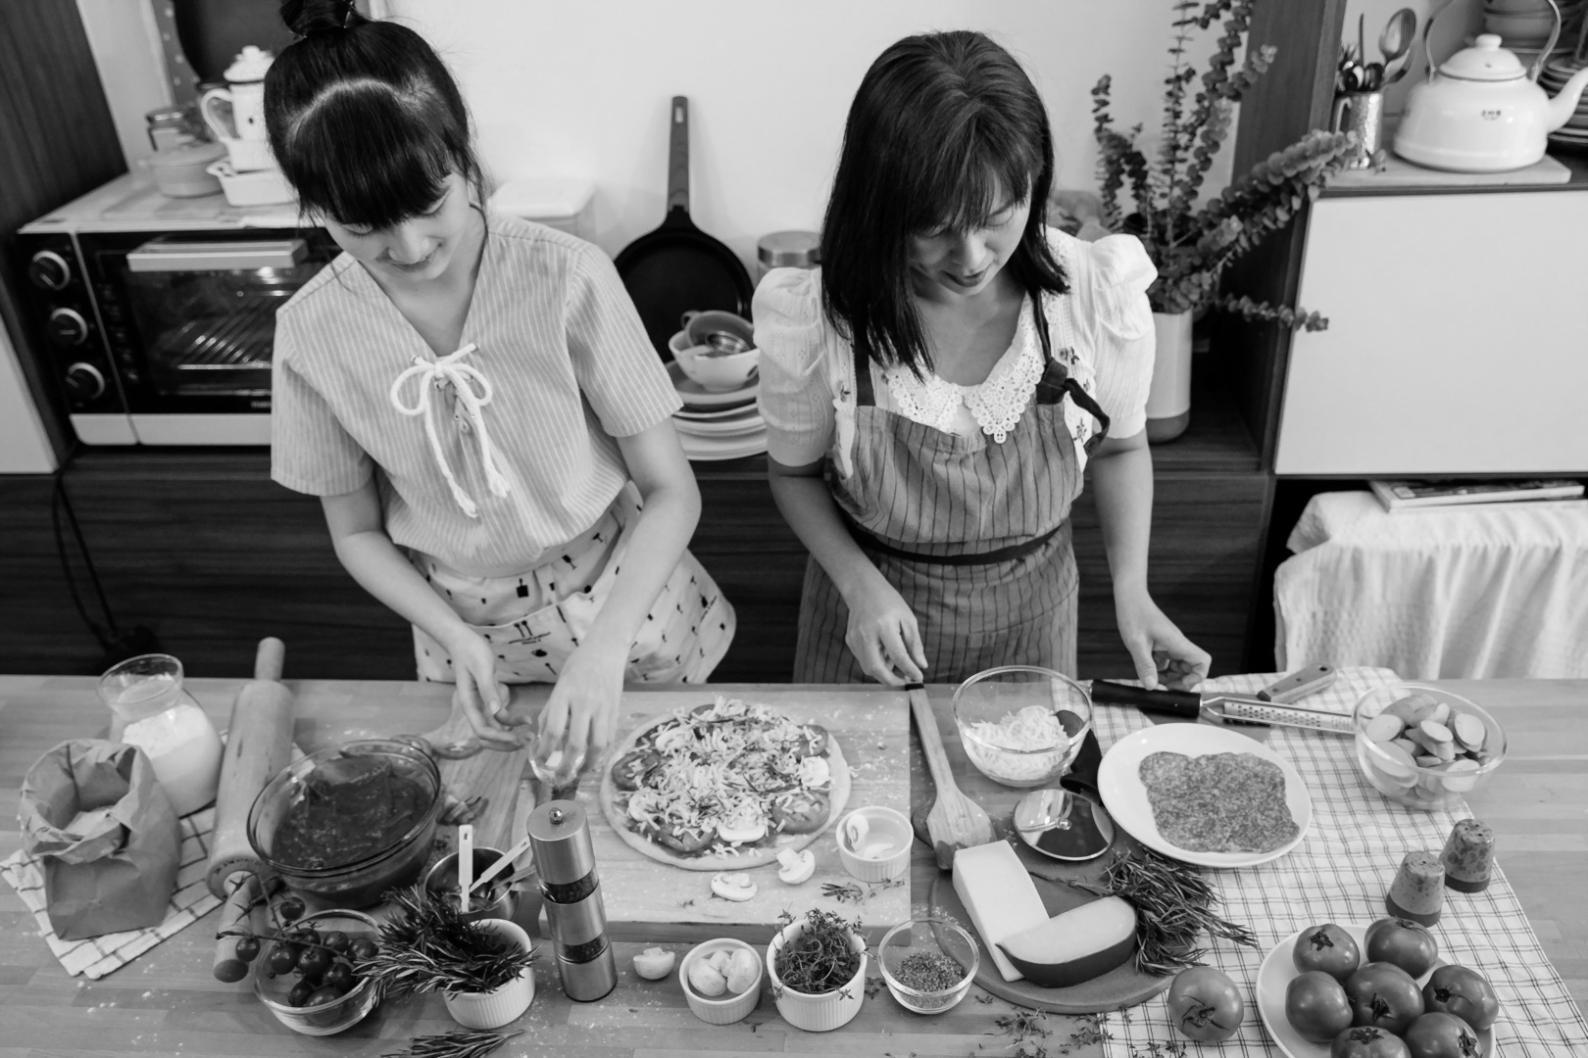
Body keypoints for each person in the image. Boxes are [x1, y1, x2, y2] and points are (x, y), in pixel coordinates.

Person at [263, 0, 734, 765]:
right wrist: (454, 636)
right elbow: (355, 533)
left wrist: (605, 647)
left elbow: (672, 491)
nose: (410, 248)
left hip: (626, 602)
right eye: (362, 227)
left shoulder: (567, 276)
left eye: (429, 204)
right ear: (313, 208)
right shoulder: (312, 334)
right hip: (459, 627)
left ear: (463, 154)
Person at [754, 30, 1209, 690]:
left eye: (998, 215)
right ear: (879, 206)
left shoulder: (1092, 295)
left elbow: (1121, 450)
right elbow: (792, 475)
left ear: (1035, 180)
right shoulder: (819, 316)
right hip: (870, 633)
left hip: (1035, 630)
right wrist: (858, 585)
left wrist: (1132, 591)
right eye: (934, 227)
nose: (971, 258)